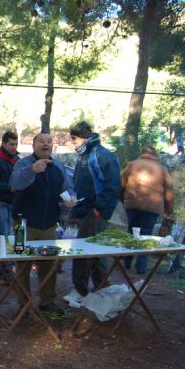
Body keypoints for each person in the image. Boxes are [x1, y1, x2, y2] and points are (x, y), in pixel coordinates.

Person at [10, 133, 75, 315]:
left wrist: (70, 198)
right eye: (41, 141)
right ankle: (23, 303)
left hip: (49, 225)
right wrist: (32, 170)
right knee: (22, 265)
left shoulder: (58, 166)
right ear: (33, 145)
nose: (46, 144)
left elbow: (67, 188)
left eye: (49, 141)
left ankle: (47, 301)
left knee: (49, 265)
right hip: (23, 225)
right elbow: (14, 184)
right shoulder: (23, 163)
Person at [65, 121, 121, 304]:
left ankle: (81, 290)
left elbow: (112, 186)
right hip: (84, 209)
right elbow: (82, 184)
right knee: (95, 252)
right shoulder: (84, 156)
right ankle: (101, 287)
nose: (71, 142)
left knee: (83, 252)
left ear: (84, 137)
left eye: (73, 138)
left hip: (95, 212)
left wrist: (100, 210)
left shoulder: (100, 155)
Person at [120, 146, 174, 274]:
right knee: (146, 236)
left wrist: (121, 201)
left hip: (132, 205)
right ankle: (141, 267)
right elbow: (169, 192)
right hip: (152, 208)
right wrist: (169, 210)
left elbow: (121, 185)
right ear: (155, 155)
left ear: (142, 154)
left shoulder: (131, 165)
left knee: (130, 233)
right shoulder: (162, 169)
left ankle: (127, 262)